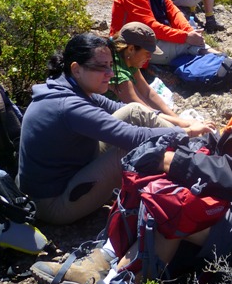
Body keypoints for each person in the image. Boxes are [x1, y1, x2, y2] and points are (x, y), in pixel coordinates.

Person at [30, 42, 232, 284]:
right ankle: (107, 256)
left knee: (172, 207)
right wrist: (182, 146)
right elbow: (223, 143)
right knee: (156, 181)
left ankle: (120, 280)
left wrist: (173, 161)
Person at [18, 33, 214, 225]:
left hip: (73, 170)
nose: (110, 74)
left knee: (134, 110)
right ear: (76, 69)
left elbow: (124, 110)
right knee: (130, 152)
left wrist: (183, 124)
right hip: (53, 203)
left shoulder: (71, 86)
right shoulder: (69, 105)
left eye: (111, 66)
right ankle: (194, 169)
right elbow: (134, 137)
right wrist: (186, 133)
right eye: (101, 67)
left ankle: (194, 150)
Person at [106, 22, 194, 128]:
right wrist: (183, 125)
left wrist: (176, 119)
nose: (150, 58)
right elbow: (143, 110)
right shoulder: (116, 71)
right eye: (147, 53)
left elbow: (148, 93)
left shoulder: (127, 58)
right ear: (131, 49)